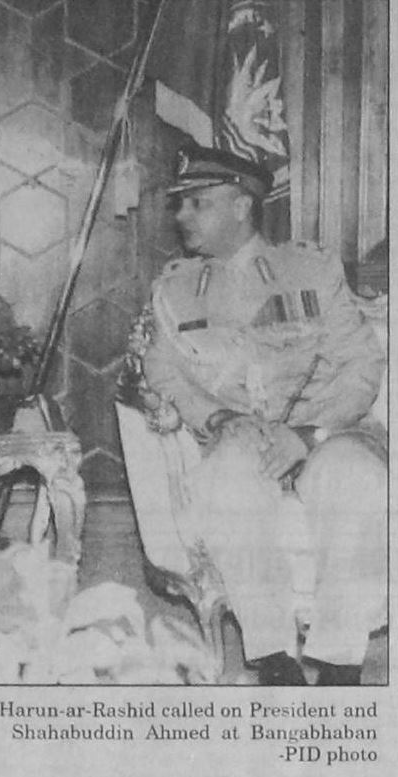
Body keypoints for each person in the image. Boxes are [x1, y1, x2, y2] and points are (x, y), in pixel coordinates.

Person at [141, 145, 386, 685]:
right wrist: (216, 420)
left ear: (241, 206)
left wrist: (309, 434)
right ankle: (274, 657)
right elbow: (162, 371)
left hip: (328, 430)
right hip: (242, 438)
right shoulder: (176, 290)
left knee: (356, 477)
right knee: (227, 478)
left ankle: (341, 663)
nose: (182, 216)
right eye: (180, 204)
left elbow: (362, 363)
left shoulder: (311, 269)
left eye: (197, 203)